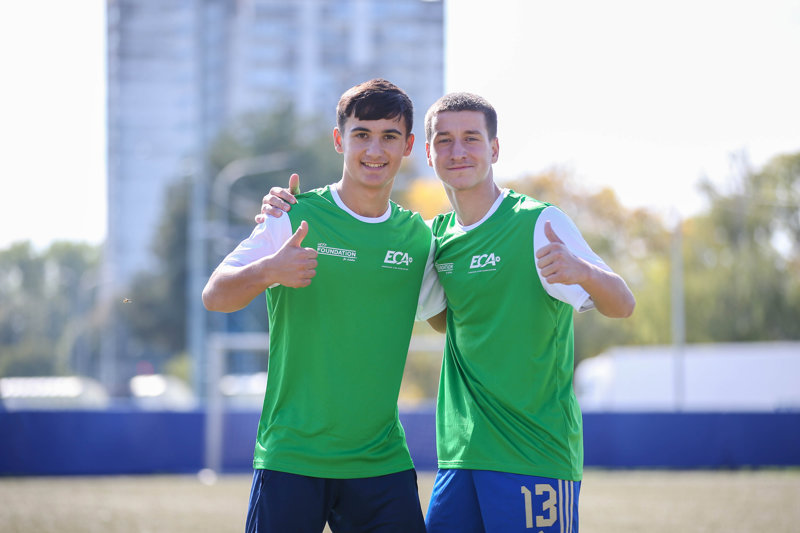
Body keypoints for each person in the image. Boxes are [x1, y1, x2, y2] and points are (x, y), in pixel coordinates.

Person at [258, 92, 635, 533]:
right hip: (459, 458)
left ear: (494, 149)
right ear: (427, 153)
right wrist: (282, 210)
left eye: (471, 138)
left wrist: (583, 271)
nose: (458, 152)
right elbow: (445, 317)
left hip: (533, 453)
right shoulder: (434, 240)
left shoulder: (538, 223)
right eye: (445, 141)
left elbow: (622, 304)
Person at [202, 78, 445, 533]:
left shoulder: (418, 238)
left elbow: (449, 319)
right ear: (339, 139)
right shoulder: (291, 216)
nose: (374, 149)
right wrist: (269, 270)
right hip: (292, 456)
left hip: (380, 460)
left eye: (389, 136)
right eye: (361, 134)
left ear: (409, 146)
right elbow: (215, 295)